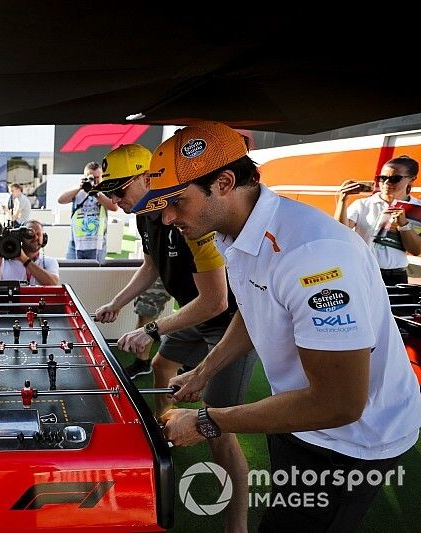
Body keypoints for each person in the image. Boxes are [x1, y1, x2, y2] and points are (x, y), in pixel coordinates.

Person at [141, 121, 421, 532]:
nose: (167, 217)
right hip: (299, 415)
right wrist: (203, 371)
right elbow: (256, 307)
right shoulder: (234, 232)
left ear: (224, 183)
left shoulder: (313, 255)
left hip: (350, 441)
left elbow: (339, 403)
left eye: (178, 202)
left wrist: (206, 421)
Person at [92, 143, 255, 532]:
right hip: (194, 313)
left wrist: (150, 328)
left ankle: (237, 526)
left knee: (217, 428)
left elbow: (215, 302)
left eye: (119, 189)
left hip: (232, 323)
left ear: (148, 179)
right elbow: (151, 266)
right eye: (109, 192)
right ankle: (165, 435)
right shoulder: (145, 217)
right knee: (162, 365)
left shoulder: (189, 218)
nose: (115, 199)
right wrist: (116, 303)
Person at [334, 155, 421, 285]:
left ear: (412, 179)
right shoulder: (363, 204)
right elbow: (339, 233)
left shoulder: (417, 209)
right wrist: (343, 200)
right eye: (382, 178)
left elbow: (415, 250)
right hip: (363, 271)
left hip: (395, 276)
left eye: (395, 179)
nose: (386, 183)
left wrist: (404, 224)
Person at [58, 161, 118, 261]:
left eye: (97, 177)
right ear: (84, 177)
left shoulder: (104, 192)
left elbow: (114, 207)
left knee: (95, 271)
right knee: (71, 269)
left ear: (102, 177)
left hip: (97, 244)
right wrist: (80, 187)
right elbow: (61, 200)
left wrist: (96, 193)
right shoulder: (78, 191)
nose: (94, 180)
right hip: (76, 243)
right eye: (91, 177)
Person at [0, 220, 59, 285]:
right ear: (21, 237)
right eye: (30, 234)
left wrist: (25, 260)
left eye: (38, 234)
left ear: (44, 239)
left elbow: (53, 283)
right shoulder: (3, 263)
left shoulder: (50, 261)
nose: (36, 237)